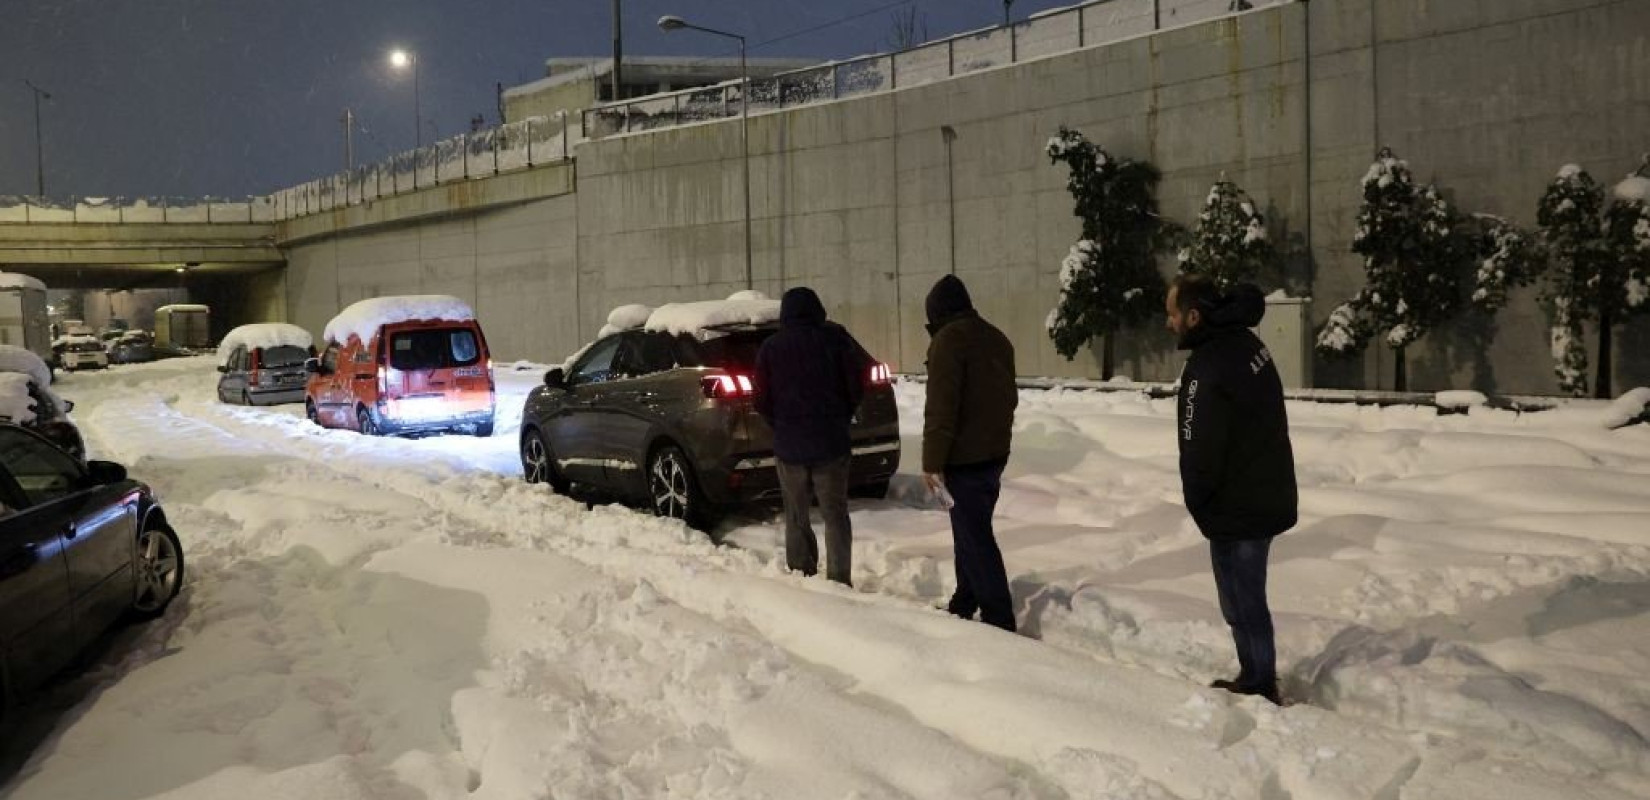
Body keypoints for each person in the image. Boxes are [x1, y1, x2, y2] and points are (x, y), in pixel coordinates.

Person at [1166, 274, 1298, 705]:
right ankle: (1255, 674)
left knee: (1242, 601)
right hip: (1262, 493)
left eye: (1171, 314)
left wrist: (1199, 504)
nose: (1168, 323)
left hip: (1238, 507)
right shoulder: (1247, 344)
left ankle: (1259, 682)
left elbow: (1197, 446)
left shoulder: (1207, 366)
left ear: (1192, 315)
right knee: (1244, 598)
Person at [921, 275, 1019, 632]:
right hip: (993, 454)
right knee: (969, 530)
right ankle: (965, 600)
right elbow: (1009, 398)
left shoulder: (949, 341)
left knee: (975, 537)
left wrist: (932, 463)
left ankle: (999, 617)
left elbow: (941, 410)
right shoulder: (996, 337)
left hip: (962, 460)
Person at [755, 287, 868, 586]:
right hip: (832, 443)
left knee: (796, 513)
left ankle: (802, 572)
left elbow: (761, 399)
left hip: (790, 446)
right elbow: (855, 385)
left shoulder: (771, 347)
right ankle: (839, 577)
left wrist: (780, 424)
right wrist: (842, 417)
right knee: (835, 515)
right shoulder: (836, 339)